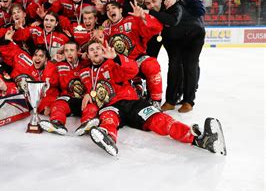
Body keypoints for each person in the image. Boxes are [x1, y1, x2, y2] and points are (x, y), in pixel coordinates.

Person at [80, 40, 226, 157]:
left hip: (132, 103)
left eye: (98, 48)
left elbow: (132, 70)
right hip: (110, 106)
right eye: (91, 50)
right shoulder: (85, 73)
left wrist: (117, 58)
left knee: (159, 119)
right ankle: (108, 138)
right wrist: (87, 93)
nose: (95, 51)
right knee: (108, 117)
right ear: (88, 55)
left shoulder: (112, 63)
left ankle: (200, 140)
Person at [103, 1, 163, 108]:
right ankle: (136, 87)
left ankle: (156, 100)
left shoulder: (132, 20)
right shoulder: (105, 30)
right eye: (107, 9)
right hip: (120, 64)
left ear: (121, 10)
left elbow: (157, 28)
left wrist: (143, 17)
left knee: (152, 66)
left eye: (113, 8)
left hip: (138, 58)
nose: (110, 10)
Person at [0, 28, 58, 115]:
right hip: (11, 93)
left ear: (46, 59)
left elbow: (50, 93)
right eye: (35, 55)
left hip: (26, 105)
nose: (37, 58)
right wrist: (5, 40)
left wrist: (45, 108)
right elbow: (9, 50)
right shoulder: (23, 58)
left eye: (41, 56)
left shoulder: (49, 70)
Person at [39, 41, 89, 135]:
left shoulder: (86, 63)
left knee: (91, 107)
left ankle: (87, 124)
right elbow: (48, 83)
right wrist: (53, 62)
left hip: (85, 99)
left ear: (78, 51)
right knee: (58, 104)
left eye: (71, 50)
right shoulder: (59, 65)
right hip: (68, 99)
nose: (69, 53)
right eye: (66, 50)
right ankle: (57, 123)